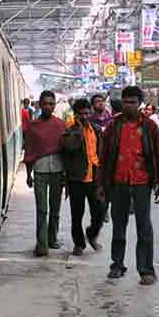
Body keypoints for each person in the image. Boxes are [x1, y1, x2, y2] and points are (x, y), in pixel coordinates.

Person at [99, 86, 159, 284]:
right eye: (126, 101)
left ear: (139, 103)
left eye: (133, 102)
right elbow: (104, 157)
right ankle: (117, 265)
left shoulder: (149, 127)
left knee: (144, 227)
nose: (129, 105)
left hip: (142, 182)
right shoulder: (113, 126)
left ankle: (146, 270)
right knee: (118, 225)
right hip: (118, 182)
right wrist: (101, 184)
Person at [59, 99, 106, 255]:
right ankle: (79, 244)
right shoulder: (70, 131)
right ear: (76, 115)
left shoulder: (97, 130)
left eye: (87, 113)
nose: (85, 116)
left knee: (100, 211)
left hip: (94, 178)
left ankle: (91, 235)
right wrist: (78, 130)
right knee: (77, 214)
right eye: (81, 114)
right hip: (77, 180)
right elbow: (70, 148)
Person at [23, 90, 66, 257]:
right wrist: (28, 174)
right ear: (40, 104)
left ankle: (52, 238)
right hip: (39, 171)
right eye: (46, 103)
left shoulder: (61, 125)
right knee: (41, 209)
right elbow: (29, 150)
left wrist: (66, 175)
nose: (49, 106)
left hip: (57, 170)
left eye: (52, 103)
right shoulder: (33, 126)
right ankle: (42, 244)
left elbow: (65, 151)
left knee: (55, 208)